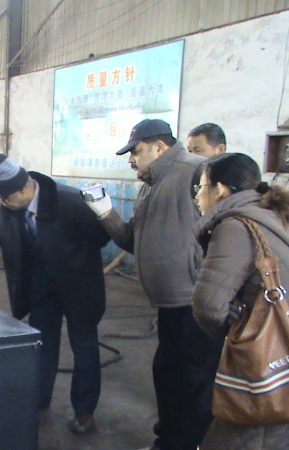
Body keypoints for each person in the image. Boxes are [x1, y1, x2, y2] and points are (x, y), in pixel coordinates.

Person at [0, 154, 111, 434]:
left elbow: (101, 235)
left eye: (6, 198)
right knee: (42, 343)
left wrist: (75, 257)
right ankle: (38, 399)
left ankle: (84, 411)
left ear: (24, 189)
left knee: (84, 347)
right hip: (42, 288)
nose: (3, 203)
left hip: (79, 286)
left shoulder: (69, 202)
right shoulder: (9, 210)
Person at [84, 119, 222, 450]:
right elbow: (132, 241)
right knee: (168, 372)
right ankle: (170, 437)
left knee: (192, 381)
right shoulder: (151, 184)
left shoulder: (195, 171)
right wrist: (105, 213)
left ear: (159, 147)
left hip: (194, 301)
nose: (132, 160)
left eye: (136, 152)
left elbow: (227, 225)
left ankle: (187, 443)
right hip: (169, 302)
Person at [191, 153, 289, 449]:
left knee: (249, 433)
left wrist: (234, 338)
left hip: (268, 360)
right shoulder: (272, 214)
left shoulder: (235, 226)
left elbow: (208, 305)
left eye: (201, 187)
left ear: (220, 189)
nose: (198, 196)